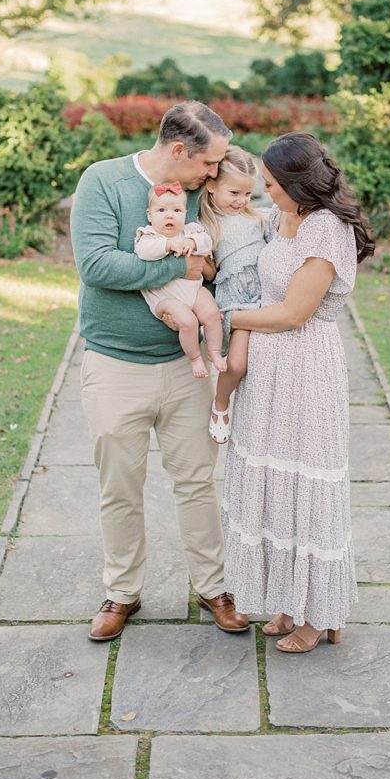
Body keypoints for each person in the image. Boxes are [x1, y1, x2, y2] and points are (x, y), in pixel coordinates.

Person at [71, 100, 249, 641]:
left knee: (197, 482)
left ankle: (213, 587)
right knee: (120, 485)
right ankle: (122, 592)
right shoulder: (102, 181)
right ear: (178, 151)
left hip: (184, 367)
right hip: (114, 364)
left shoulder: (204, 194)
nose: (213, 172)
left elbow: (225, 256)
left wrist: (205, 270)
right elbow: (98, 264)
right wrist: (181, 265)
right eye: (208, 163)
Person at [221, 132, 375, 653]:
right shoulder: (281, 218)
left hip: (305, 367)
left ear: (296, 182)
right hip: (266, 370)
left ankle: (320, 614)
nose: (265, 193)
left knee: (305, 484)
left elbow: (293, 313)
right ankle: (290, 599)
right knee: (271, 481)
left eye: (270, 184)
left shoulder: (327, 231)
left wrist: (227, 320)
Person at [198, 146, 268, 443]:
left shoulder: (260, 219)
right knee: (237, 363)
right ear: (212, 186)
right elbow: (211, 275)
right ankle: (221, 404)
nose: (241, 201)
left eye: (247, 195)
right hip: (236, 298)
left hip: (266, 295)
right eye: (234, 193)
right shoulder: (206, 225)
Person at [134, 181, 226, 379]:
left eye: (176, 210)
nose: (169, 215)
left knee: (211, 313)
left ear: (184, 213)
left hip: (193, 290)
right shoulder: (148, 236)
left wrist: (192, 242)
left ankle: (214, 352)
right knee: (188, 321)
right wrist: (167, 245)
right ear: (150, 215)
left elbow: (206, 242)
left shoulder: (190, 231)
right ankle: (194, 358)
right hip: (165, 299)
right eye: (161, 210)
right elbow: (144, 252)